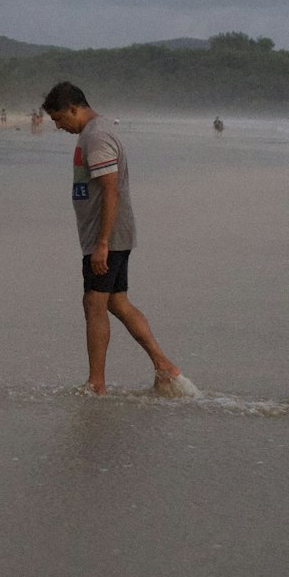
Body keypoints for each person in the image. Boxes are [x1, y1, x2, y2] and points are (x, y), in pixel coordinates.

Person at [42, 81, 192, 397]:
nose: (58, 126)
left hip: (106, 237)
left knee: (94, 302)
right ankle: (165, 367)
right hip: (109, 236)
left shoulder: (96, 136)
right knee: (116, 302)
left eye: (58, 119)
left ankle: (96, 383)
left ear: (73, 108)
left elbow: (111, 189)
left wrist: (102, 243)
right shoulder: (94, 132)